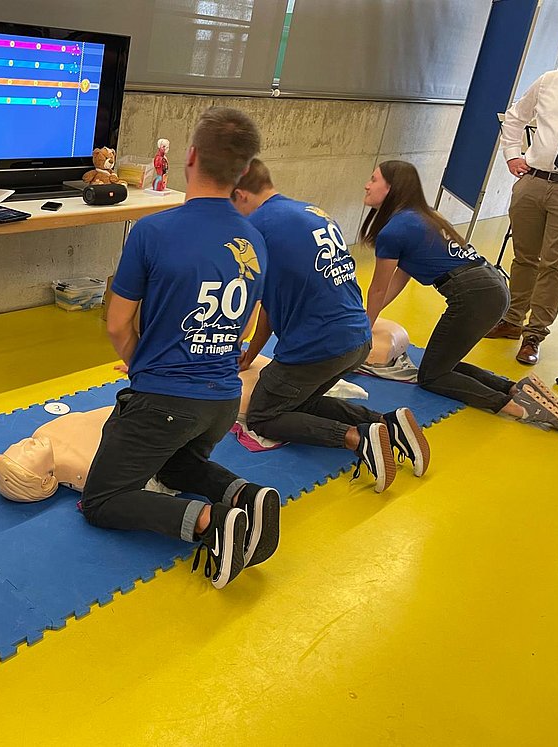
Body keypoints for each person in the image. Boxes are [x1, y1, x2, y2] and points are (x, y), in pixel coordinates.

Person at [80, 107, 280, 590]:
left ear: (189, 157)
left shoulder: (153, 231)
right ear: (242, 172)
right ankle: (243, 494)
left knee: (101, 501)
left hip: (166, 402)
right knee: (170, 464)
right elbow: (243, 324)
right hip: (223, 403)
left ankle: (212, 521)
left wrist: (143, 371)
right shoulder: (255, 239)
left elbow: (117, 325)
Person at [232, 159, 429, 493]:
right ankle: (385, 423)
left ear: (240, 195)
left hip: (319, 347)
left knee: (263, 416)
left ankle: (357, 438)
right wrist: (250, 356)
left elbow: (249, 307)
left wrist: (233, 350)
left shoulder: (256, 227)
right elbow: (269, 305)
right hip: (358, 339)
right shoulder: (310, 211)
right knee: (297, 400)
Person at [360, 160, 558, 434]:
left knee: (432, 376)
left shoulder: (394, 230)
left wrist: (362, 329)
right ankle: (516, 388)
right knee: (441, 363)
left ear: (391, 188)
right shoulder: (423, 216)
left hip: (475, 295)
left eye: (374, 179)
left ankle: (518, 408)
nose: (367, 185)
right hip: (492, 287)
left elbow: (377, 289)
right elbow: (400, 277)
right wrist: (367, 319)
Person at [486, 20, 558, 364]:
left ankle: (534, 335)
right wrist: (512, 155)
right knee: (524, 257)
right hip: (532, 182)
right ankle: (512, 320)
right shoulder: (551, 81)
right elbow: (514, 117)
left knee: (555, 265)